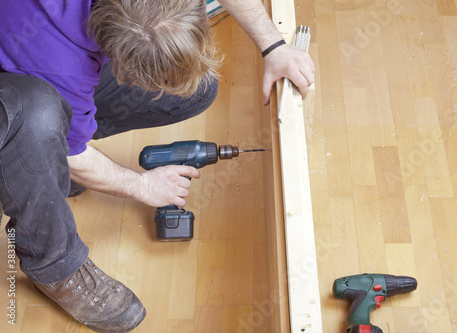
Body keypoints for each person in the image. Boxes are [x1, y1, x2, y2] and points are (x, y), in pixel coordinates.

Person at [0, 0, 314, 332]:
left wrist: (274, 47)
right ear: (124, 60)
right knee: (39, 119)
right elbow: (71, 155)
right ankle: (55, 267)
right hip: (17, 79)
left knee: (196, 88)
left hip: (47, 52)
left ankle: (44, 159)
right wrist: (142, 186)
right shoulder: (59, 59)